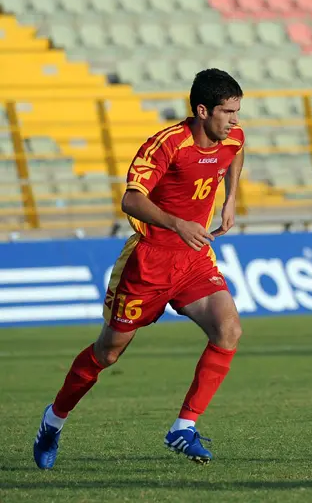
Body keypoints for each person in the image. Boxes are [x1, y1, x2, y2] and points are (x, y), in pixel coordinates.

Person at [33, 69, 246, 469]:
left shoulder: (232, 136)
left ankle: (183, 427)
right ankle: (53, 421)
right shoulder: (167, 145)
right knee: (107, 353)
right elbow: (131, 201)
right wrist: (178, 223)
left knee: (229, 328)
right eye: (227, 112)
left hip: (193, 260)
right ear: (202, 111)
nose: (234, 121)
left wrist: (230, 198)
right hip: (148, 261)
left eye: (237, 111)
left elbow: (236, 152)